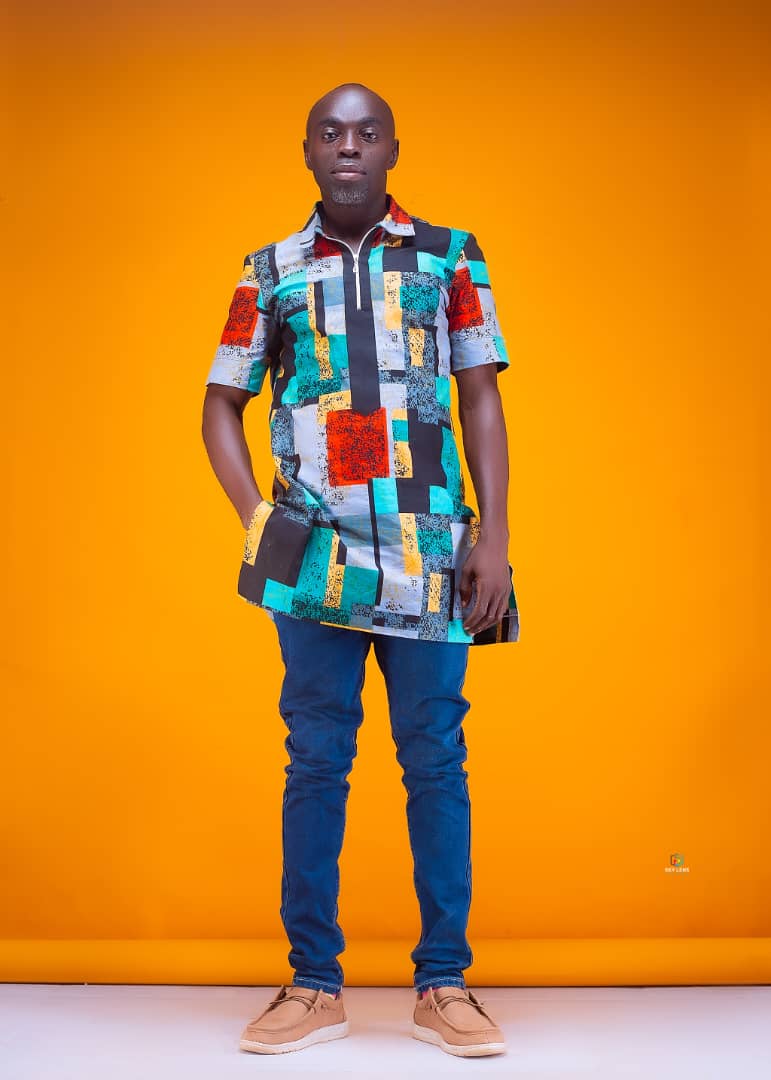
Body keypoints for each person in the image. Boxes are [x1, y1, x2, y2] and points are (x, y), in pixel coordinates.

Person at [201, 81, 520, 1059]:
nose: (348, 146)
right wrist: (260, 521)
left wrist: (495, 537)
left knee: (436, 759)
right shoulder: (269, 271)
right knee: (315, 760)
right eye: (330, 133)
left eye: (366, 132)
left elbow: (480, 399)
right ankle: (312, 985)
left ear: (391, 151)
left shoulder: (451, 256)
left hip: (430, 550)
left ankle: (444, 984)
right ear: (307, 152)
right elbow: (220, 404)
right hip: (317, 559)